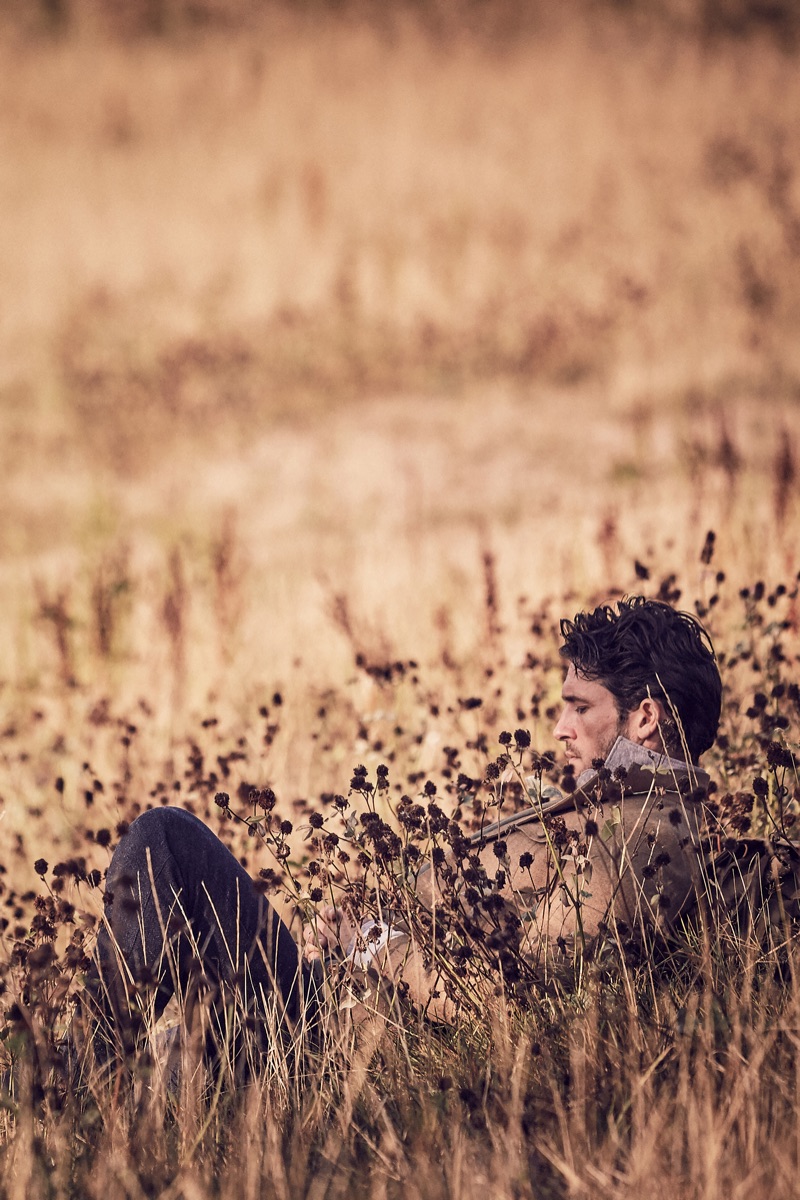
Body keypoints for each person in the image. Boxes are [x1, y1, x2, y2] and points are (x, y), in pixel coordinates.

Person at [82, 596, 734, 1057]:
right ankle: (77, 1071)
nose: (561, 729)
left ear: (644, 717)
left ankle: (75, 1072)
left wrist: (369, 939)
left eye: (580, 708)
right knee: (169, 1017)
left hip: (333, 1034)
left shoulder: (644, 843)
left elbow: (508, 1012)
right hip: (324, 990)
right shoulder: (621, 804)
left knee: (165, 841)